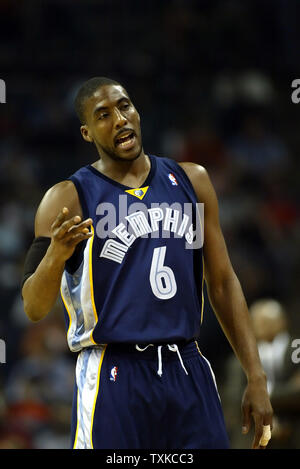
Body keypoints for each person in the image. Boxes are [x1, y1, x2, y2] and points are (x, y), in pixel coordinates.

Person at [22, 76, 273, 449]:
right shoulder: (67, 198)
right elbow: (33, 306)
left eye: (124, 106)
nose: (120, 119)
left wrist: (256, 375)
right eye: (103, 115)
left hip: (185, 364)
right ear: (87, 133)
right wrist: (56, 256)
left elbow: (221, 283)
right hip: (114, 372)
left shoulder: (192, 180)